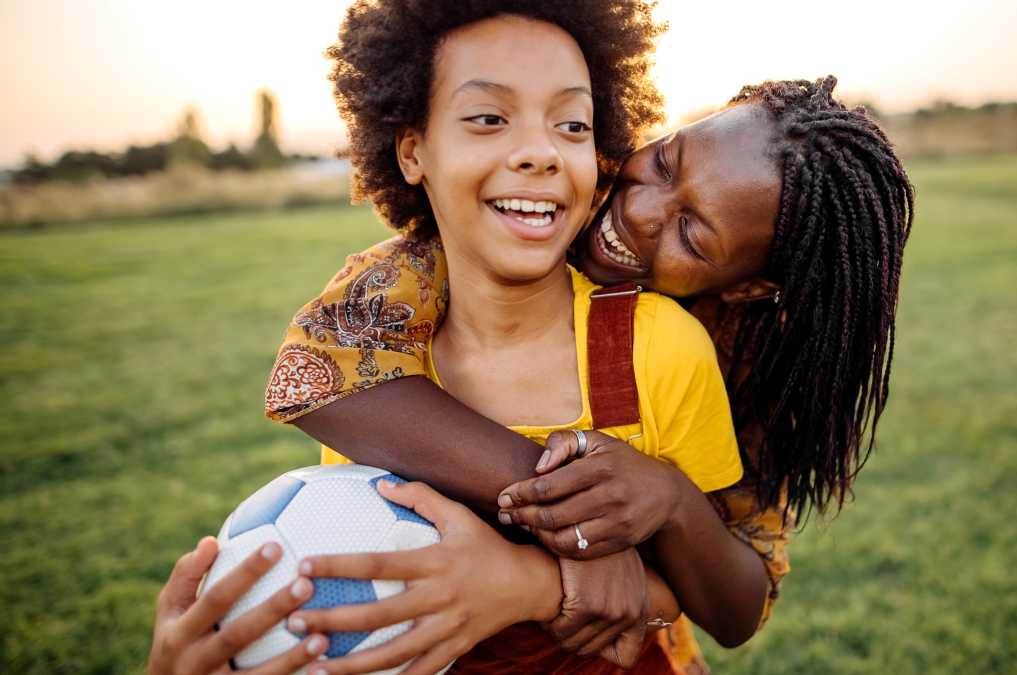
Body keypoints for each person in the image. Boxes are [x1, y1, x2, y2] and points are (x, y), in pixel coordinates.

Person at [150, 2, 746, 674]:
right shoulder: (376, 355)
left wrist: (565, 561)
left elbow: (726, 595)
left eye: (572, 124)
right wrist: (579, 538)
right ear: (412, 150)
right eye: (488, 118)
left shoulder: (660, 347)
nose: (539, 152)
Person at [269, 77, 914, 674]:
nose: (641, 211)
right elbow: (318, 379)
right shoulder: (477, 250)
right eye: (664, 162)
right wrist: (587, 524)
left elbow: (739, 607)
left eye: (691, 234)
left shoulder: (731, 363)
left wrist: (667, 500)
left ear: (748, 286)